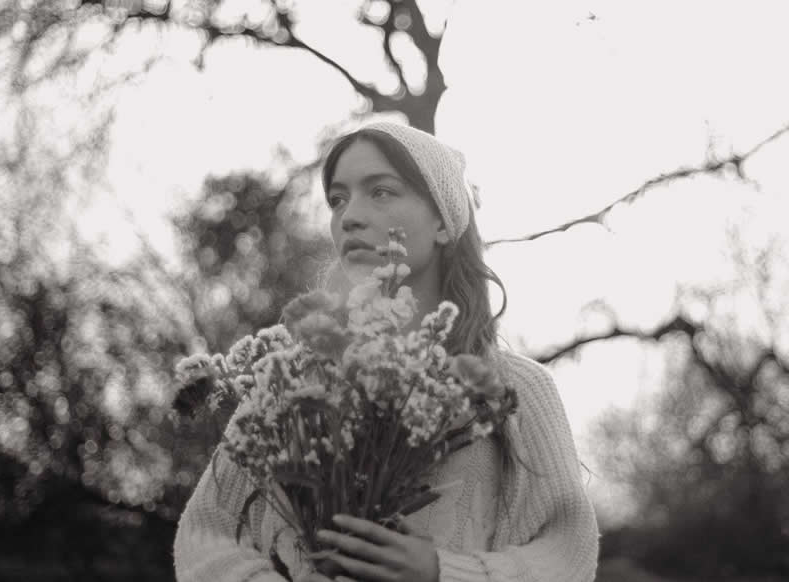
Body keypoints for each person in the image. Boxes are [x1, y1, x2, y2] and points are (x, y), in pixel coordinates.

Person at [173, 121, 600, 582]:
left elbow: (567, 553)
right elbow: (204, 535)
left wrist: (442, 573)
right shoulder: (291, 383)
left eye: (380, 192)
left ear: (442, 220)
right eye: (338, 199)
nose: (348, 216)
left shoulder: (517, 389)